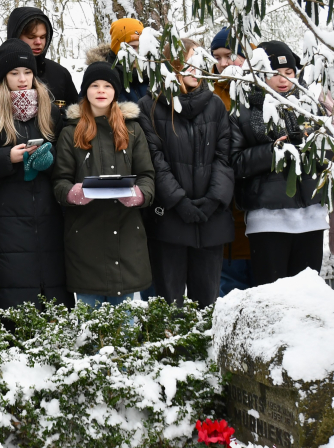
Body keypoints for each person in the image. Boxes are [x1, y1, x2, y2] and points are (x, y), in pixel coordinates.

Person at [0, 40, 69, 314]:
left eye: (27, 72)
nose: (22, 79)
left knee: (53, 292)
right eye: (14, 73)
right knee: (11, 294)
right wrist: (6, 158)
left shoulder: (52, 110)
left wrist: (50, 160)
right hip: (4, 222)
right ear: (3, 76)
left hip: (48, 219)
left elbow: (69, 160)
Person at [137, 39, 234, 307]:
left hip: (210, 217)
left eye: (199, 62)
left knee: (208, 307)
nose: (195, 69)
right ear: (172, 64)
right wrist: (179, 201)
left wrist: (213, 199)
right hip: (169, 219)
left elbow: (224, 156)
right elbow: (153, 159)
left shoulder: (216, 105)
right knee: (171, 308)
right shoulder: (150, 106)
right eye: (187, 63)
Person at [52, 62, 156, 306]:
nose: (101, 90)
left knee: (125, 321)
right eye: (94, 85)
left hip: (127, 236)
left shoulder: (133, 130)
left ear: (115, 92)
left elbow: (147, 175)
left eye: (107, 86)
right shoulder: (70, 132)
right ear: (85, 91)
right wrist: (72, 193)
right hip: (86, 236)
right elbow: (59, 181)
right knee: (91, 319)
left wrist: (140, 195)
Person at [230, 41, 329, 286]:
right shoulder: (243, 111)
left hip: (310, 216)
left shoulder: (311, 109)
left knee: (308, 298)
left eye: (289, 73)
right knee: (272, 297)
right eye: (275, 73)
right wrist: (274, 151)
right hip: (267, 218)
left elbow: (327, 157)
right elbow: (235, 163)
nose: (283, 80)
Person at [210, 27, 253, 296]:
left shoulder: (267, 88)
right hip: (227, 199)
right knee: (231, 280)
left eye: (230, 55)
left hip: (261, 199)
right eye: (218, 57)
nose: (224, 63)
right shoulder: (212, 93)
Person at [0, 7, 77, 109]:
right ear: (16, 35)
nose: (38, 42)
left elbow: (78, 114)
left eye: (43, 37)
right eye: (31, 37)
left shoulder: (59, 74)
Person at [84, 18, 150, 104]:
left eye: (141, 47)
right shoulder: (100, 76)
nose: (137, 53)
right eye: (132, 47)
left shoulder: (155, 76)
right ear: (118, 49)